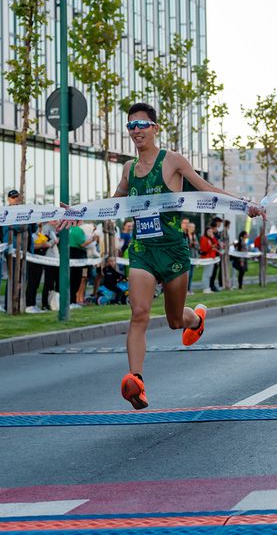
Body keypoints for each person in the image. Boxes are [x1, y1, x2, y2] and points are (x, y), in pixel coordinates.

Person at [90, 102, 263, 410]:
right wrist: (77, 214)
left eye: (142, 125)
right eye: (131, 126)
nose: (136, 131)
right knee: (139, 313)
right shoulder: (129, 169)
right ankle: (136, 382)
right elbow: (113, 202)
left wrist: (244, 204)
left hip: (172, 252)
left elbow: (206, 189)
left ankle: (195, 320)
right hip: (142, 250)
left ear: (155, 128)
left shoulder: (172, 161)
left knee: (173, 320)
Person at [200, 221, 221, 292]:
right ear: (206, 231)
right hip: (206, 258)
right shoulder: (204, 238)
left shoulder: (211, 238)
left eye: (211, 231)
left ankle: (208, 287)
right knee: (206, 273)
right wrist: (212, 247)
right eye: (209, 231)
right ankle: (205, 288)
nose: (210, 232)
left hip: (212, 258)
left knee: (210, 274)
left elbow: (217, 245)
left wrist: (213, 238)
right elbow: (204, 248)